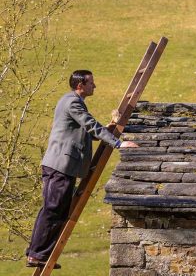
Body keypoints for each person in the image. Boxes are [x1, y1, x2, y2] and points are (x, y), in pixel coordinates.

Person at [26, 70, 138, 268]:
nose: (94, 86)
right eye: (91, 83)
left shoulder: (73, 101)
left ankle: (39, 253)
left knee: (57, 210)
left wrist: (107, 128)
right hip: (60, 165)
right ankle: (36, 254)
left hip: (62, 166)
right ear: (80, 85)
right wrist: (118, 144)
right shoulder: (72, 102)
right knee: (53, 209)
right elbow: (89, 124)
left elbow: (87, 130)